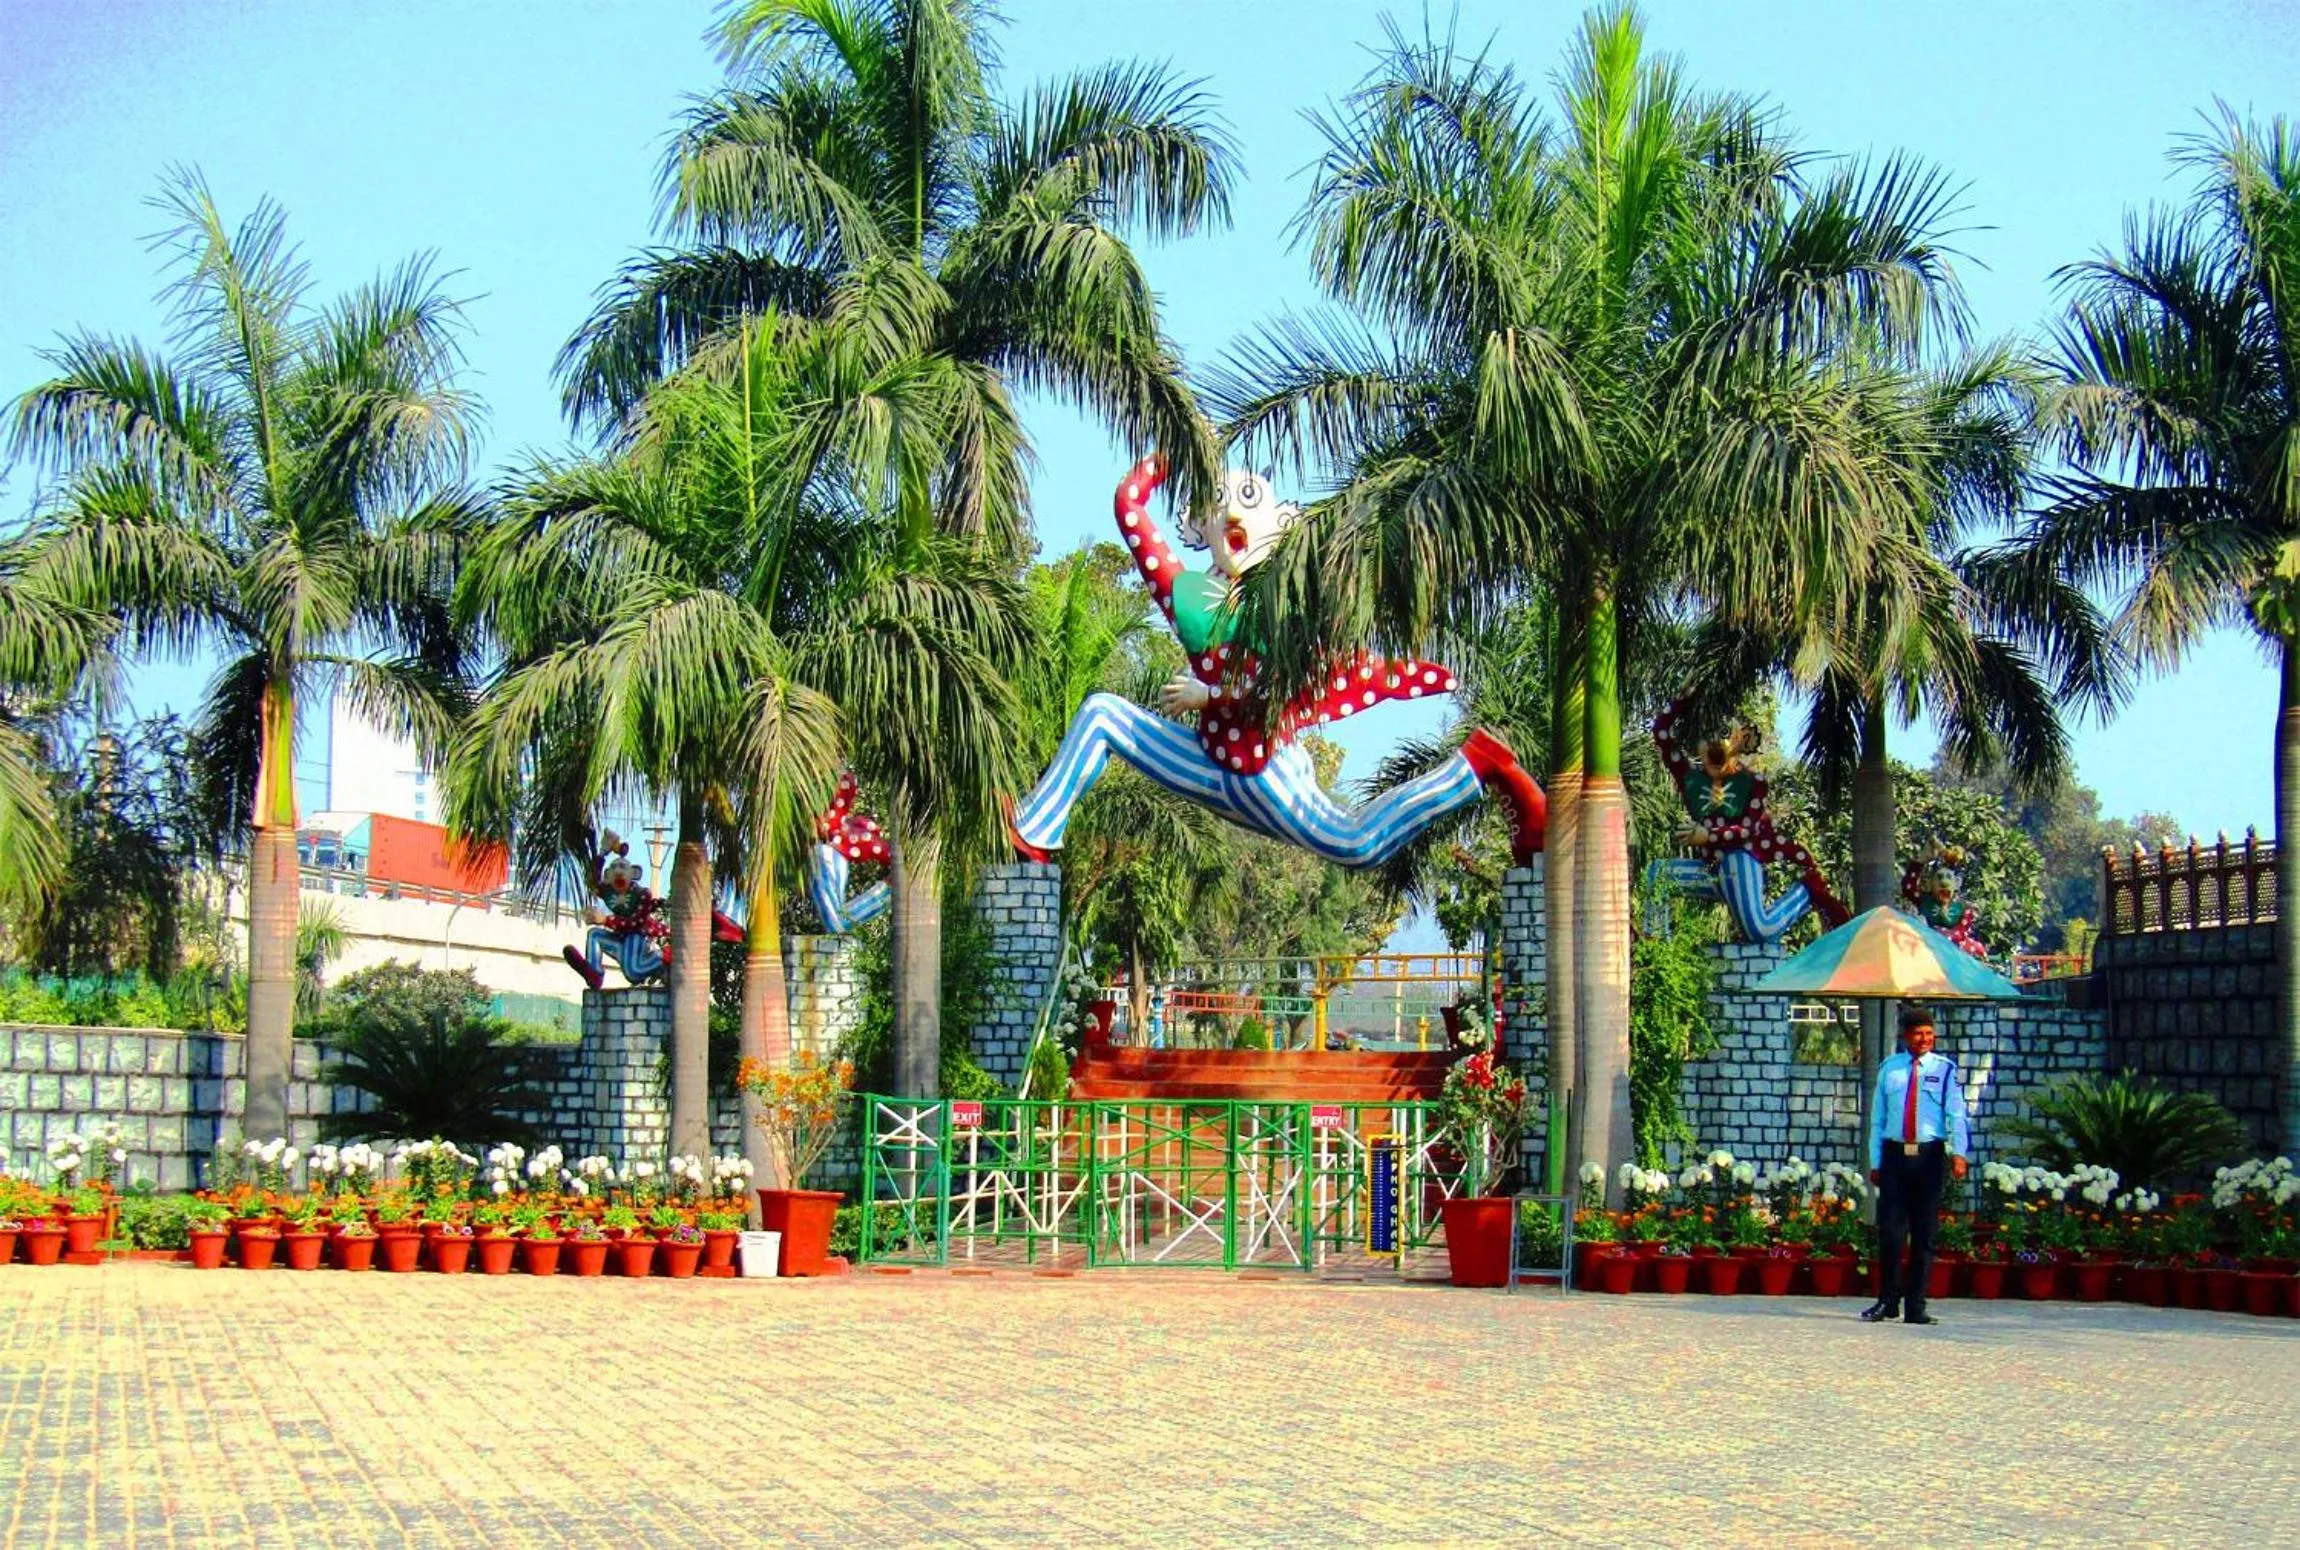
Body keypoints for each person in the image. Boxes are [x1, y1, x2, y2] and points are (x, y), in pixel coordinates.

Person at [1862, 1006, 1972, 1325]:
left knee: (1925, 1233)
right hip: (1894, 1155)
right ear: (1905, 1036)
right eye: (1918, 1034)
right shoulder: (1890, 1069)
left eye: (1929, 1034)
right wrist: (1876, 1161)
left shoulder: (1945, 1069)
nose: (1925, 1039)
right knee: (1890, 1232)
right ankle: (1887, 1301)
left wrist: (1959, 1153)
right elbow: (1878, 1119)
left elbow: (1956, 1114)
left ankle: (1916, 1306)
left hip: (1929, 1156)